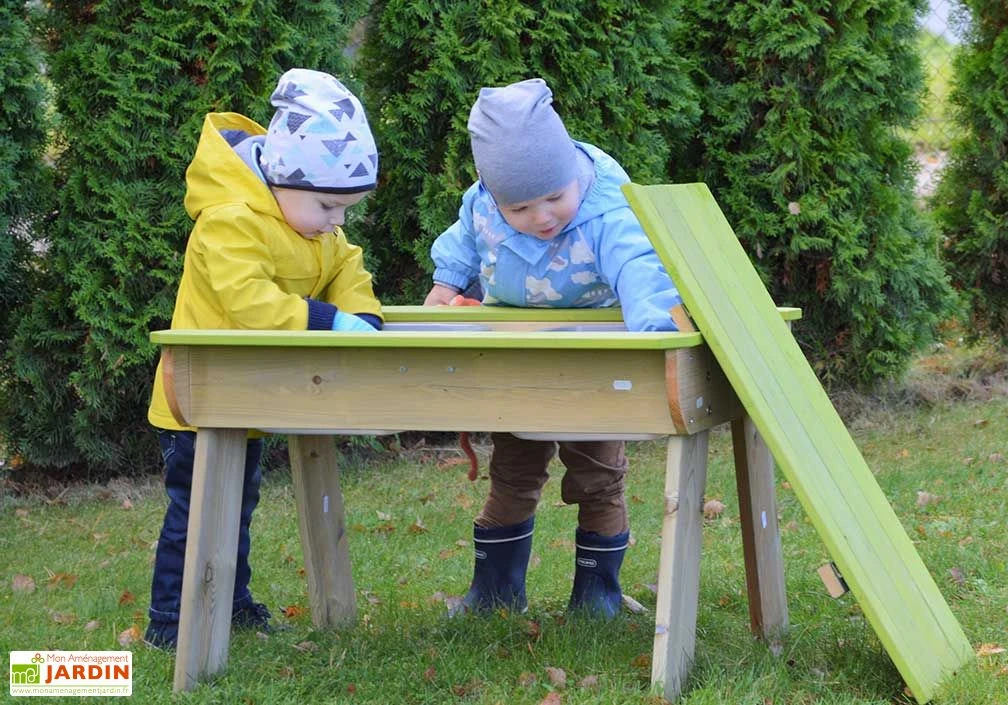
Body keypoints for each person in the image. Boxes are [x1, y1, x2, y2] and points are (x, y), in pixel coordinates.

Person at [424, 78, 682, 618]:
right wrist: (446, 287)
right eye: (520, 208)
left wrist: (657, 333)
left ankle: (597, 597)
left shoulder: (608, 211)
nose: (542, 217)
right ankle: (495, 594)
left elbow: (641, 268)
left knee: (597, 477)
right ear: (495, 197)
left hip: (594, 364)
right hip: (518, 363)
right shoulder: (483, 205)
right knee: (513, 471)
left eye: (554, 199)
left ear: (574, 177)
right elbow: (463, 242)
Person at [145, 68, 383, 649]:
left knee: (237, 508)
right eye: (330, 206)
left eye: (346, 208)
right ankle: (171, 621)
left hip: (247, 396)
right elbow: (248, 301)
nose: (338, 221)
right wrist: (327, 320)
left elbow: (348, 267)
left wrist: (365, 316)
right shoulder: (228, 221)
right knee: (198, 514)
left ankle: (230, 601)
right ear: (281, 179)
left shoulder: (313, 227)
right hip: (199, 396)